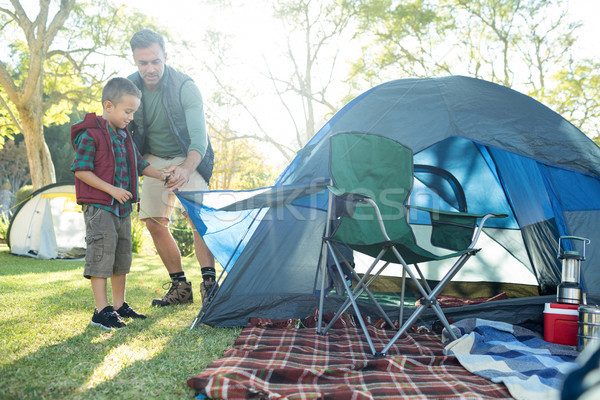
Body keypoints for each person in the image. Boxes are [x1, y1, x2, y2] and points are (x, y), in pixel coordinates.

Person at [127, 29, 217, 307]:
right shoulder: (128, 88)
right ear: (134, 60)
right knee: (153, 221)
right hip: (152, 159)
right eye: (143, 63)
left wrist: (187, 170)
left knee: (199, 220)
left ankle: (210, 287)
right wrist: (142, 169)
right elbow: (124, 137)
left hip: (187, 156)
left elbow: (199, 139)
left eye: (155, 61)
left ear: (166, 56)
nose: (150, 69)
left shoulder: (185, 86)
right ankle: (180, 287)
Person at [71, 77, 166, 329]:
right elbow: (81, 170)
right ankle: (101, 311)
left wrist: (163, 175)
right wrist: (112, 189)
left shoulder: (125, 137)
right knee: (102, 255)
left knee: (122, 257)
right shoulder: (90, 135)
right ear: (108, 106)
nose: (130, 117)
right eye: (127, 111)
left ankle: (118, 305)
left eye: (133, 112)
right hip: (100, 207)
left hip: (122, 209)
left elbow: (140, 164)